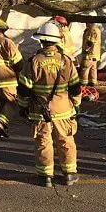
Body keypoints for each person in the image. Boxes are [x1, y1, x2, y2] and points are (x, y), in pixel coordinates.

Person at [18, 22, 82, 187]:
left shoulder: (33, 62)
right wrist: (76, 104)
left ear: (41, 41)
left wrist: (23, 106)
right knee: (66, 140)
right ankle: (69, 174)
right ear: (56, 41)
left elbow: (24, 89)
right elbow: (75, 87)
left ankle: (46, 176)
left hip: (40, 110)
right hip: (63, 110)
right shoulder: (66, 61)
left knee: (43, 142)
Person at [79, 23, 101, 87]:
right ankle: (92, 82)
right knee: (93, 69)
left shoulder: (91, 30)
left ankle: (83, 84)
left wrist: (86, 49)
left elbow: (90, 42)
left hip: (89, 55)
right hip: (95, 55)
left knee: (85, 69)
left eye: (87, 22)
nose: (86, 24)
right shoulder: (97, 30)